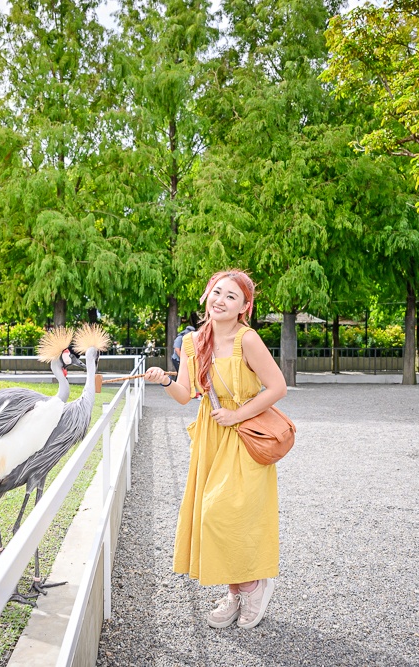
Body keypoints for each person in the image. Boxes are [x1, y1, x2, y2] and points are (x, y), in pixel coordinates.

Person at [144, 269, 288, 630]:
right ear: (207, 294)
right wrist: (164, 380)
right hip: (211, 433)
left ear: (244, 307)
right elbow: (184, 395)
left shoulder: (248, 340)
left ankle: (254, 586)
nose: (220, 300)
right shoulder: (193, 343)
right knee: (212, 518)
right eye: (217, 292)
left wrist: (237, 413)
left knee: (223, 513)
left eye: (231, 297)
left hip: (244, 434)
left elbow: (277, 387)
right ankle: (235, 592)